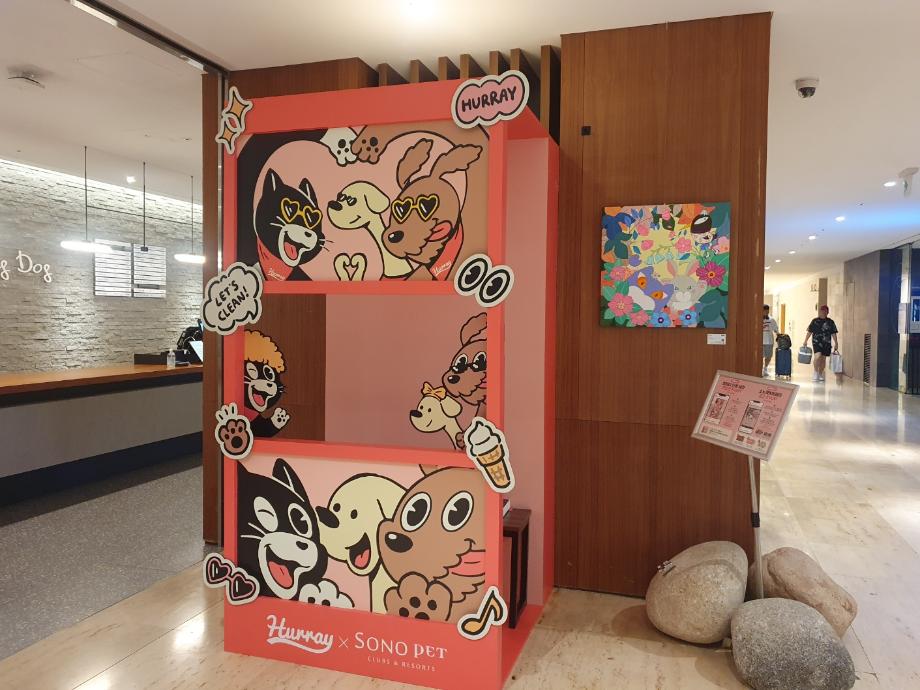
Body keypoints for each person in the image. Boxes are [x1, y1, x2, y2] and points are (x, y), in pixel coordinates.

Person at [804, 305, 839, 383]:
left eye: (825, 311)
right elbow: (809, 331)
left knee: (823, 359)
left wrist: (836, 343)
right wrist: (805, 340)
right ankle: (815, 372)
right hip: (816, 342)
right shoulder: (814, 321)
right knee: (817, 356)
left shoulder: (830, 322)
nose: (823, 312)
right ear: (820, 311)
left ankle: (820, 373)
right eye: (822, 310)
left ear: (827, 312)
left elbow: (833, 333)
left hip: (826, 343)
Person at [762, 304, 779, 377]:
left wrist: (779, 337)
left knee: (768, 356)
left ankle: (765, 368)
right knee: (760, 356)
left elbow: (776, 330)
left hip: (769, 341)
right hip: (760, 341)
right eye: (764, 311)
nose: (766, 312)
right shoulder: (757, 318)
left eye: (767, 311)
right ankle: (760, 369)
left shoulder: (772, 320)